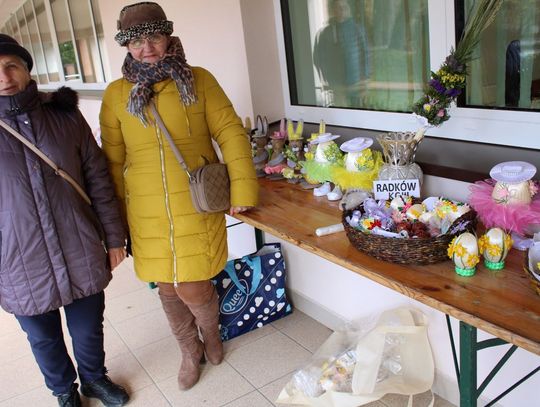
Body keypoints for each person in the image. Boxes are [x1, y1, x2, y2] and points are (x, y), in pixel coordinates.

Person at [100, 2, 258, 391]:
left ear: (168, 36)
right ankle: (189, 350)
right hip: (145, 210)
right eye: (136, 42)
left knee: (194, 285)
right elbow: (112, 162)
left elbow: (230, 132)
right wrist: (114, 223)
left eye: (154, 37)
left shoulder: (198, 80)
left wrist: (242, 188)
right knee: (167, 286)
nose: (147, 48)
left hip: (195, 202)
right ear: (126, 46)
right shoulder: (116, 94)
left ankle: (211, 333)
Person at [0, 35, 129, 407]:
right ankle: (63, 390)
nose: (4, 77)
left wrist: (114, 237)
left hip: (78, 243)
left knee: (88, 327)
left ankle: (94, 380)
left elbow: (97, 179)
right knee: (43, 337)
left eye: (11, 65)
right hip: (17, 256)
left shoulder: (64, 115)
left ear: (27, 69)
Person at [313, 0, 370, 107]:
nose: (341, 10)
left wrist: (365, 78)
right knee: (341, 112)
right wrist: (327, 78)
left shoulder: (357, 30)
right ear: (333, 10)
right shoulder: (325, 33)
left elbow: (365, 54)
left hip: (355, 83)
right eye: (338, 7)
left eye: (344, 6)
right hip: (337, 85)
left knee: (358, 111)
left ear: (349, 8)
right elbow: (318, 58)